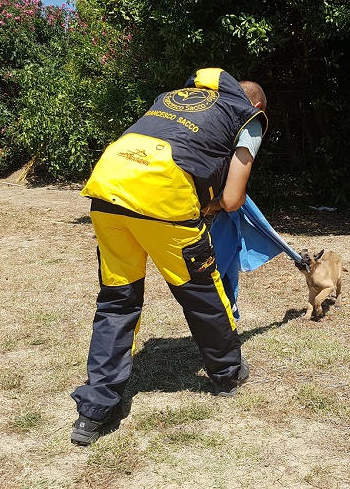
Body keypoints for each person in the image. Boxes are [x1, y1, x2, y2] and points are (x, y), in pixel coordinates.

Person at [70, 68, 268, 446]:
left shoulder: (175, 97)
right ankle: (227, 374)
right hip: (163, 201)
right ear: (255, 105)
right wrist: (214, 203)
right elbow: (230, 200)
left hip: (108, 192)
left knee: (117, 300)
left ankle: (93, 411)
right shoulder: (249, 118)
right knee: (202, 294)